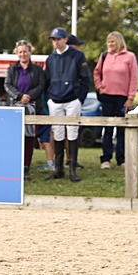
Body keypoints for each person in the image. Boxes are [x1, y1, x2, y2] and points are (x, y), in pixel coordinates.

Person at [43, 27, 91, 182]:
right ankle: (58, 169)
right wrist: (49, 98)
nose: (56, 42)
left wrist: (79, 99)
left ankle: (72, 169)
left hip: (72, 100)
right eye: (54, 39)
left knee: (72, 133)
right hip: (55, 100)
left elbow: (85, 79)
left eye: (58, 39)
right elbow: (47, 80)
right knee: (57, 133)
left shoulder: (77, 56)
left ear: (65, 39)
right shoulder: (50, 59)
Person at [92, 31, 138, 169]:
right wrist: (99, 87)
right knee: (107, 128)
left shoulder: (130, 57)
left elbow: (134, 78)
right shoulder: (104, 56)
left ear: (119, 42)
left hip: (122, 97)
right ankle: (106, 159)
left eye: (113, 41)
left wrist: (130, 97)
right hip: (107, 96)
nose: (111, 44)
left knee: (121, 129)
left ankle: (121, 159)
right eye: (109, 41)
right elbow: (97, 72)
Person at [4, 40, 45, 181]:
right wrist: (19, 96)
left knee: (29, 138)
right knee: (14, 138)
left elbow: (41, 85)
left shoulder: (37, 70)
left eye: (25, 51)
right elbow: (7, 85)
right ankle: (14, 167)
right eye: (20, 51)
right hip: (14, 107)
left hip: (32, 107)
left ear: (30, 52)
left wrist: (29, 96)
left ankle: (26, 168)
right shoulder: (11, 69)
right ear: (17, 53)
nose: (23, 54)